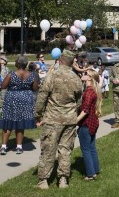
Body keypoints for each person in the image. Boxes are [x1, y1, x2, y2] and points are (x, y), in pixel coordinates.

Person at [35, 50, 83, 190]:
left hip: (52, 119)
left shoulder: (52, 76)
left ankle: (43, 180)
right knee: (65, 150)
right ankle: (63, 179)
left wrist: (38, 114)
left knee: (48, 149)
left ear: (60, 60)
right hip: (69, 119)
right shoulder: (76, 78)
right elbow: (79, 100)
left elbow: (42, 97)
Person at [0, 56, 39, 155]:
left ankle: (4, 147)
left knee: (8, 122)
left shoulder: (11, 74)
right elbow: (34, 88)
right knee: (20, 124)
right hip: (26, 99)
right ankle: (19, 147)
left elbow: (3, 86)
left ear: (18, 64)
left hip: (12, 98)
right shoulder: (31, 74)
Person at [77, 69, 102, 181]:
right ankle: (95, 170)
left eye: (85, 74)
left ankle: (90, 174)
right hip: (93, 123)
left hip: (86, 124)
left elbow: (85, 110)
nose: (83, 74)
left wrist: (75, 120)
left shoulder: (88, 92)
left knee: (86, 149)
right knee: (92, 148)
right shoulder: (93, 91)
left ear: (90, 78)